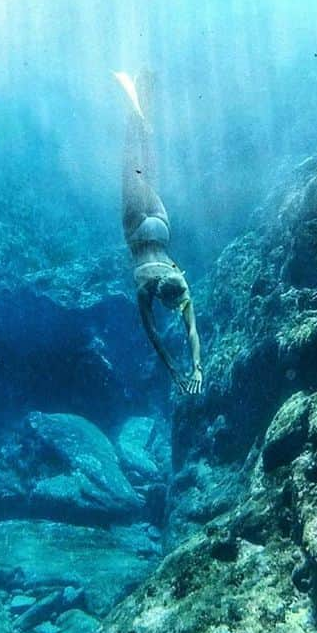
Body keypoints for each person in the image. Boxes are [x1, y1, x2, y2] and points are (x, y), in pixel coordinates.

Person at [115, 70, 202, 394]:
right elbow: (154, 337)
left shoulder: (180, 281)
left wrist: (197, 368)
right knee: (129, 167)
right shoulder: (145, 288)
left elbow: (192, 333)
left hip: (161, 226)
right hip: (137, 229)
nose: (178, 310)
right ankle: (135, 117)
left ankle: (143, 123)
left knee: (145, 175)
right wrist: (179, 372)